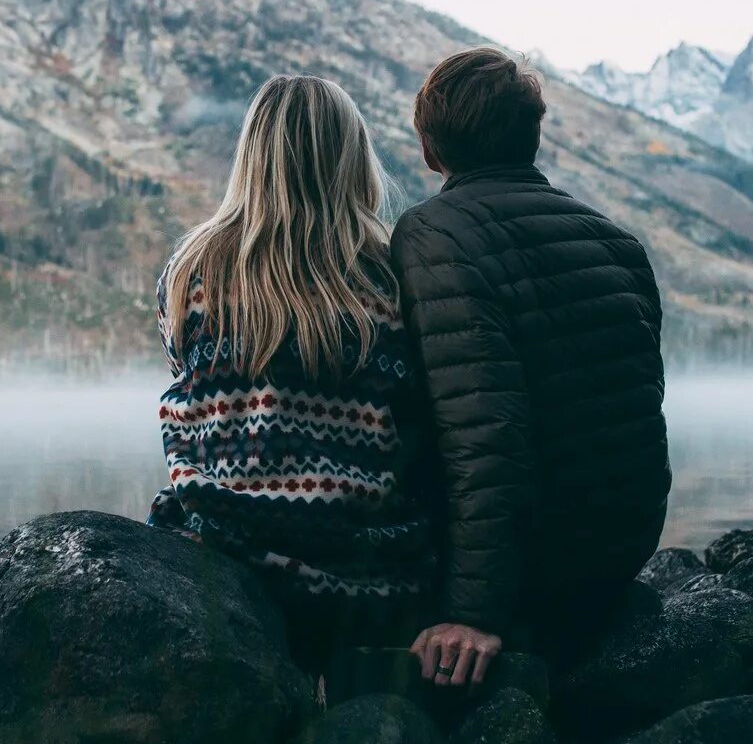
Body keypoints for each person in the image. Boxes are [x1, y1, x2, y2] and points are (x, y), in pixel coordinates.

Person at [392, 47, 670, 687]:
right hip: (620, 551)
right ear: (533, 138)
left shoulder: (433, 235)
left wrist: (471, 613)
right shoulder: (616, 241)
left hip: (535, 574)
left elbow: (485, 436)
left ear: (430, 150)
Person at [148, 74, 435, 679]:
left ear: (252, 155)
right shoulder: (392, 272)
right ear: (351, 157)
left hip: (223, 550)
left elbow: (190, 388)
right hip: (366, 570)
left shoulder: (191, 270)